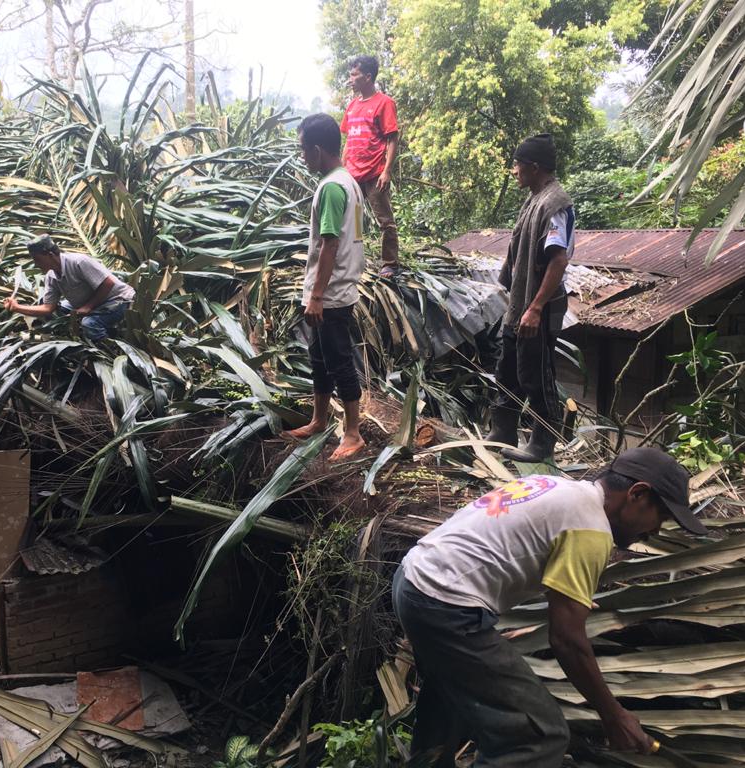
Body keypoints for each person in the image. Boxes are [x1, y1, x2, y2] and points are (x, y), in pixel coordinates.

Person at [394, 447, 708, 767]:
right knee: (539, 737)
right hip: (445, 604)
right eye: (662, 517)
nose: (655, 530)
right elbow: (566, 640)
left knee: (449, 708)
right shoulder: (591, 530)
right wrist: (614, 716)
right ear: (637, 494)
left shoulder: (558, 487)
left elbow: (512, 546)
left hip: (413, 578)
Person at [486, 133, 575, 463]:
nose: (514, 170)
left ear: (534, 167)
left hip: (538, 306)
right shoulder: (534, 198)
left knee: (536, 375)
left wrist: (536, 308)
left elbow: (558, 259)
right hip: (519, 304)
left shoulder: (556, 204)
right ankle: (503, 430)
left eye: (518, 164)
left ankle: (542, 442)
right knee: (507, 369)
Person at [282, 113, 366, 462]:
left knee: (338, 360)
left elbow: (330, 244)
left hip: (331, 295)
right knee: (318, 357)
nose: (302, 157)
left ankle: (353, 432)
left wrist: (316, 296)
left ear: (317, 150)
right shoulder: (348, 181)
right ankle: (319, 419)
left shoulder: (332, 187)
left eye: (303, 150)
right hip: (331, 290)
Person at [2, 235, 135, 342]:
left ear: (50, 255)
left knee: (89, 324)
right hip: (88, 303)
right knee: (56, 309)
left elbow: (108, 283)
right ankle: (74, 336)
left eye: (37, 259)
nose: (36, 264)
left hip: (117, 300)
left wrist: (88, 307)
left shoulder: (79, 262)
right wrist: (17, 307)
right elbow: (48, 308)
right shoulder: (51, 276)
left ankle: (109, 349)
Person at [340, 55, 400, 278]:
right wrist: (341, 169)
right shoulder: (353, 106)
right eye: (350, 74)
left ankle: (390, 264)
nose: (351, 79)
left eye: (354, 74)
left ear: (368, 77)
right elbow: (348, 140)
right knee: (350, 220)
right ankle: (351, 260)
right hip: (352, 174)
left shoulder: (384, 103)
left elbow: (392, 138)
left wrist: (387, 170)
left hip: (374, 173)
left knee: (385, 221)